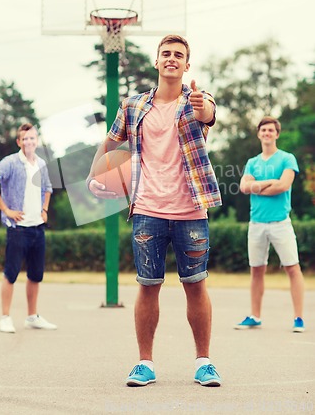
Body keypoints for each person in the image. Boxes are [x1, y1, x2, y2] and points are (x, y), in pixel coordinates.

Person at [87, 35, 222, 387]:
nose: (172, 59)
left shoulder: (197, 101)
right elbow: (111, 141)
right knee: (149, 286)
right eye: (166, 54)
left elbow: (208, 112)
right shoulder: (133, 106)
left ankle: (204, 363)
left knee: (195, 285)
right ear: (157, 61)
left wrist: (201, 106)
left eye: (179, 55)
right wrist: (92, 174)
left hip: (191, 209)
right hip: (147, 209)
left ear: (187, 65)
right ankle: (144, 363)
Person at [0, 123, 57, 333]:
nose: (29, 142)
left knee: (35, 275)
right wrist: (5, 209)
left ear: (37, 141)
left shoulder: (41, 163)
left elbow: (48, 188)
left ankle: (32, 316)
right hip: (18, 228)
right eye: (25, 139)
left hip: (37, 227)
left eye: (32, 138)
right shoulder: (11, 162)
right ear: (19, 142)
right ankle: (5, 317)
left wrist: (44, 209)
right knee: (11, 273)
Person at [235, 116, 305, 333]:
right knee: (256, 270)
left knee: (292, 268)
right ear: (259, 134)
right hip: (256, 224)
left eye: (271, 130)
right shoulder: (252, 162)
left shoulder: (287, 159)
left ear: (277, 134)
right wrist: (267, 183)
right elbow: (243, 188)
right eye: (263, 130)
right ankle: (255, 316)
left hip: (280, 224)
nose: (267, 133)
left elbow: (283, 186)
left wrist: (256, 185)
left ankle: (299, 318)